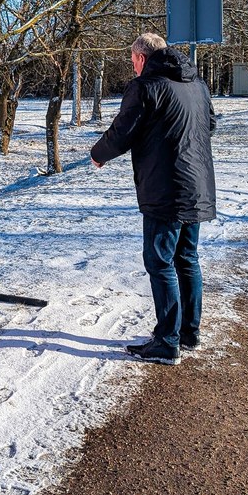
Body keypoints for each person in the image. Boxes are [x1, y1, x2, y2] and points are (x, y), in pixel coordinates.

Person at [90, 33, 216, 365]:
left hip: (166, 187)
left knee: (160, 261)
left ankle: (166, 341)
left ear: (142, 58)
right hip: (197, 185)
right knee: (186, 258)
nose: (132, 67)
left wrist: (98, 154)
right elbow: (210, 124)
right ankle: (189, 332)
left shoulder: (146, 86)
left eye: (132, 61)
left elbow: (123, 131)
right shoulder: (197, 85)